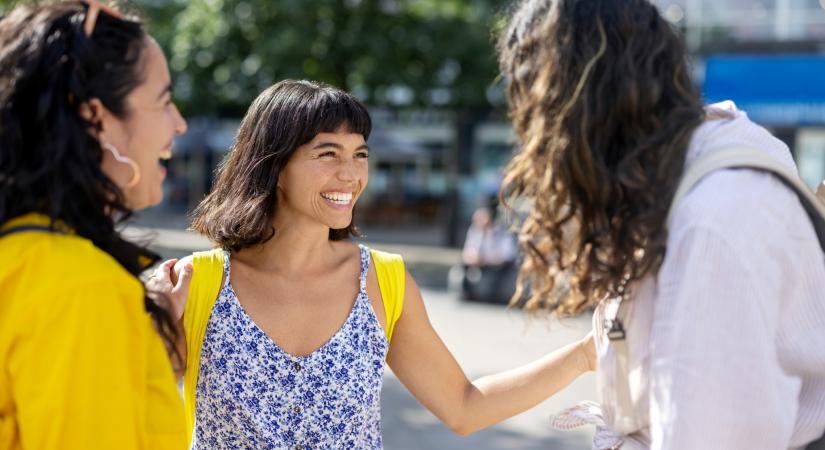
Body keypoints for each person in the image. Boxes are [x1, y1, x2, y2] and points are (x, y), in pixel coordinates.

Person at [151, 79, 595, 449]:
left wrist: (583, 355)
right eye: (327, 154)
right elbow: (134, 416)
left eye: (359, 153)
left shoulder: (384, 280)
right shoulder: (195, 283)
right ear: (274, 166)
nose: (351, 174)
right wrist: (156, 339)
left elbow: (464, 405)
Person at [497, 0, 825, 449]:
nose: (535, 146)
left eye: (537, 117)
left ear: (582, 110)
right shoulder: (708, 162)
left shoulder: (712, 221)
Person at [0, 1, 189, 449]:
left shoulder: (23, 259)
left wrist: (142, 351)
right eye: (163, 101)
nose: (178, 123)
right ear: (96, 118)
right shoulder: (82, 289)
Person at [460, 203, 518, 303]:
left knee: (496, 275)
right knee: (463, 266)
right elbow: (468, 249)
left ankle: (492, 297)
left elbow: (507, 255)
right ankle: (466, 293)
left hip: (499, 264)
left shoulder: (502, 233)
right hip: (480, 262)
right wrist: (472, 257)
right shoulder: (475, 231)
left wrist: (486, 259)